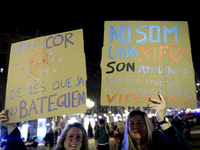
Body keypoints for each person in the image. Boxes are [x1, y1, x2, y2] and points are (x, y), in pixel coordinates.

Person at [121, 93, 191, 150]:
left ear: (147, 125)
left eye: (140, 123)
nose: (136, 127)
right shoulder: (124, 147)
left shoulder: (160, 143)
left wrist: (162, 120)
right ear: (127, 128)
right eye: (132, 123)